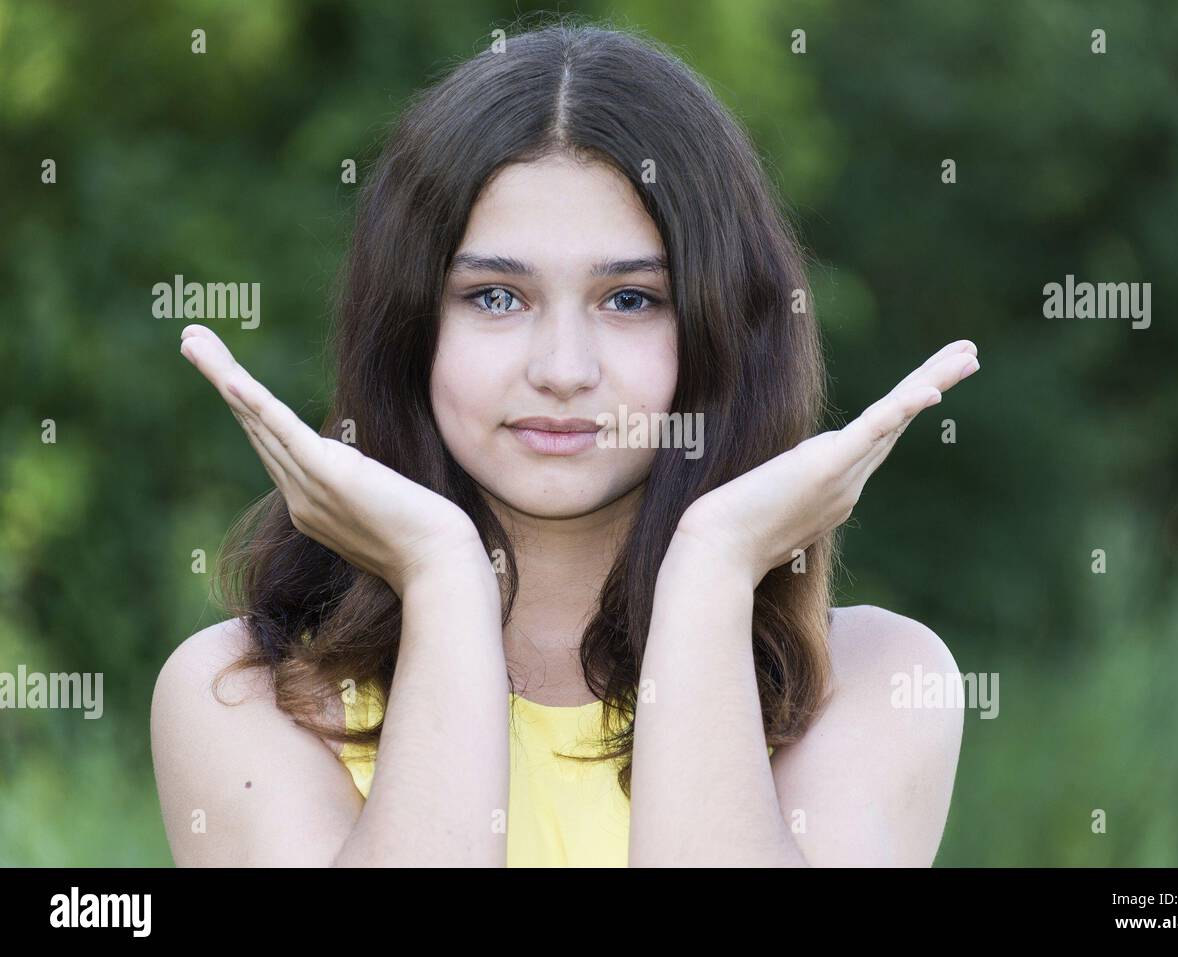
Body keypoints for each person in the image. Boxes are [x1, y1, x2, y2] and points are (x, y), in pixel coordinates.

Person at [150, 18, 977, 867]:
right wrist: (441, 575)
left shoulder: (876, 681)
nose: (562, 369)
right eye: (497, 296)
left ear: (725, 329)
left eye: (630, 299)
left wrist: (713, 567)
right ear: (407, 324)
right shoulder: (244, 694)